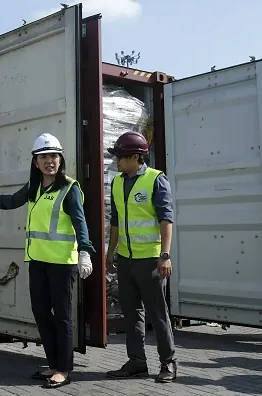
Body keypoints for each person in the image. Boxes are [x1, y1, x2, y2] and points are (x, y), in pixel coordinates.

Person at [0, 133, 95, 389]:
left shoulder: (69, 188)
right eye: (44, 157)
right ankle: (53, 362)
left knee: (62, 316)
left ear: (60, 160)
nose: (50, 161)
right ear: (35, 162)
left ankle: (64, 369)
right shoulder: (35, 187)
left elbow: (80, 223)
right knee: (40, 312)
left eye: (54, 156)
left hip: (62, 263)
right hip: (37, 261)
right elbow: (13, 201)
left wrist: (85, 251)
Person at [104, 131, 177, 383]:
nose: (117, 162)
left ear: (136, 157)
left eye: (121, 157)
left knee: (157, 313)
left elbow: (165, 219)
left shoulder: (156, 180)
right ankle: (136, 362)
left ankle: (168, 363)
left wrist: (164, 255)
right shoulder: (116, 182)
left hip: (151, 262)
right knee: (131, 312)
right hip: (126, 259)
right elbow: (115, 221)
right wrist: (110, 252)